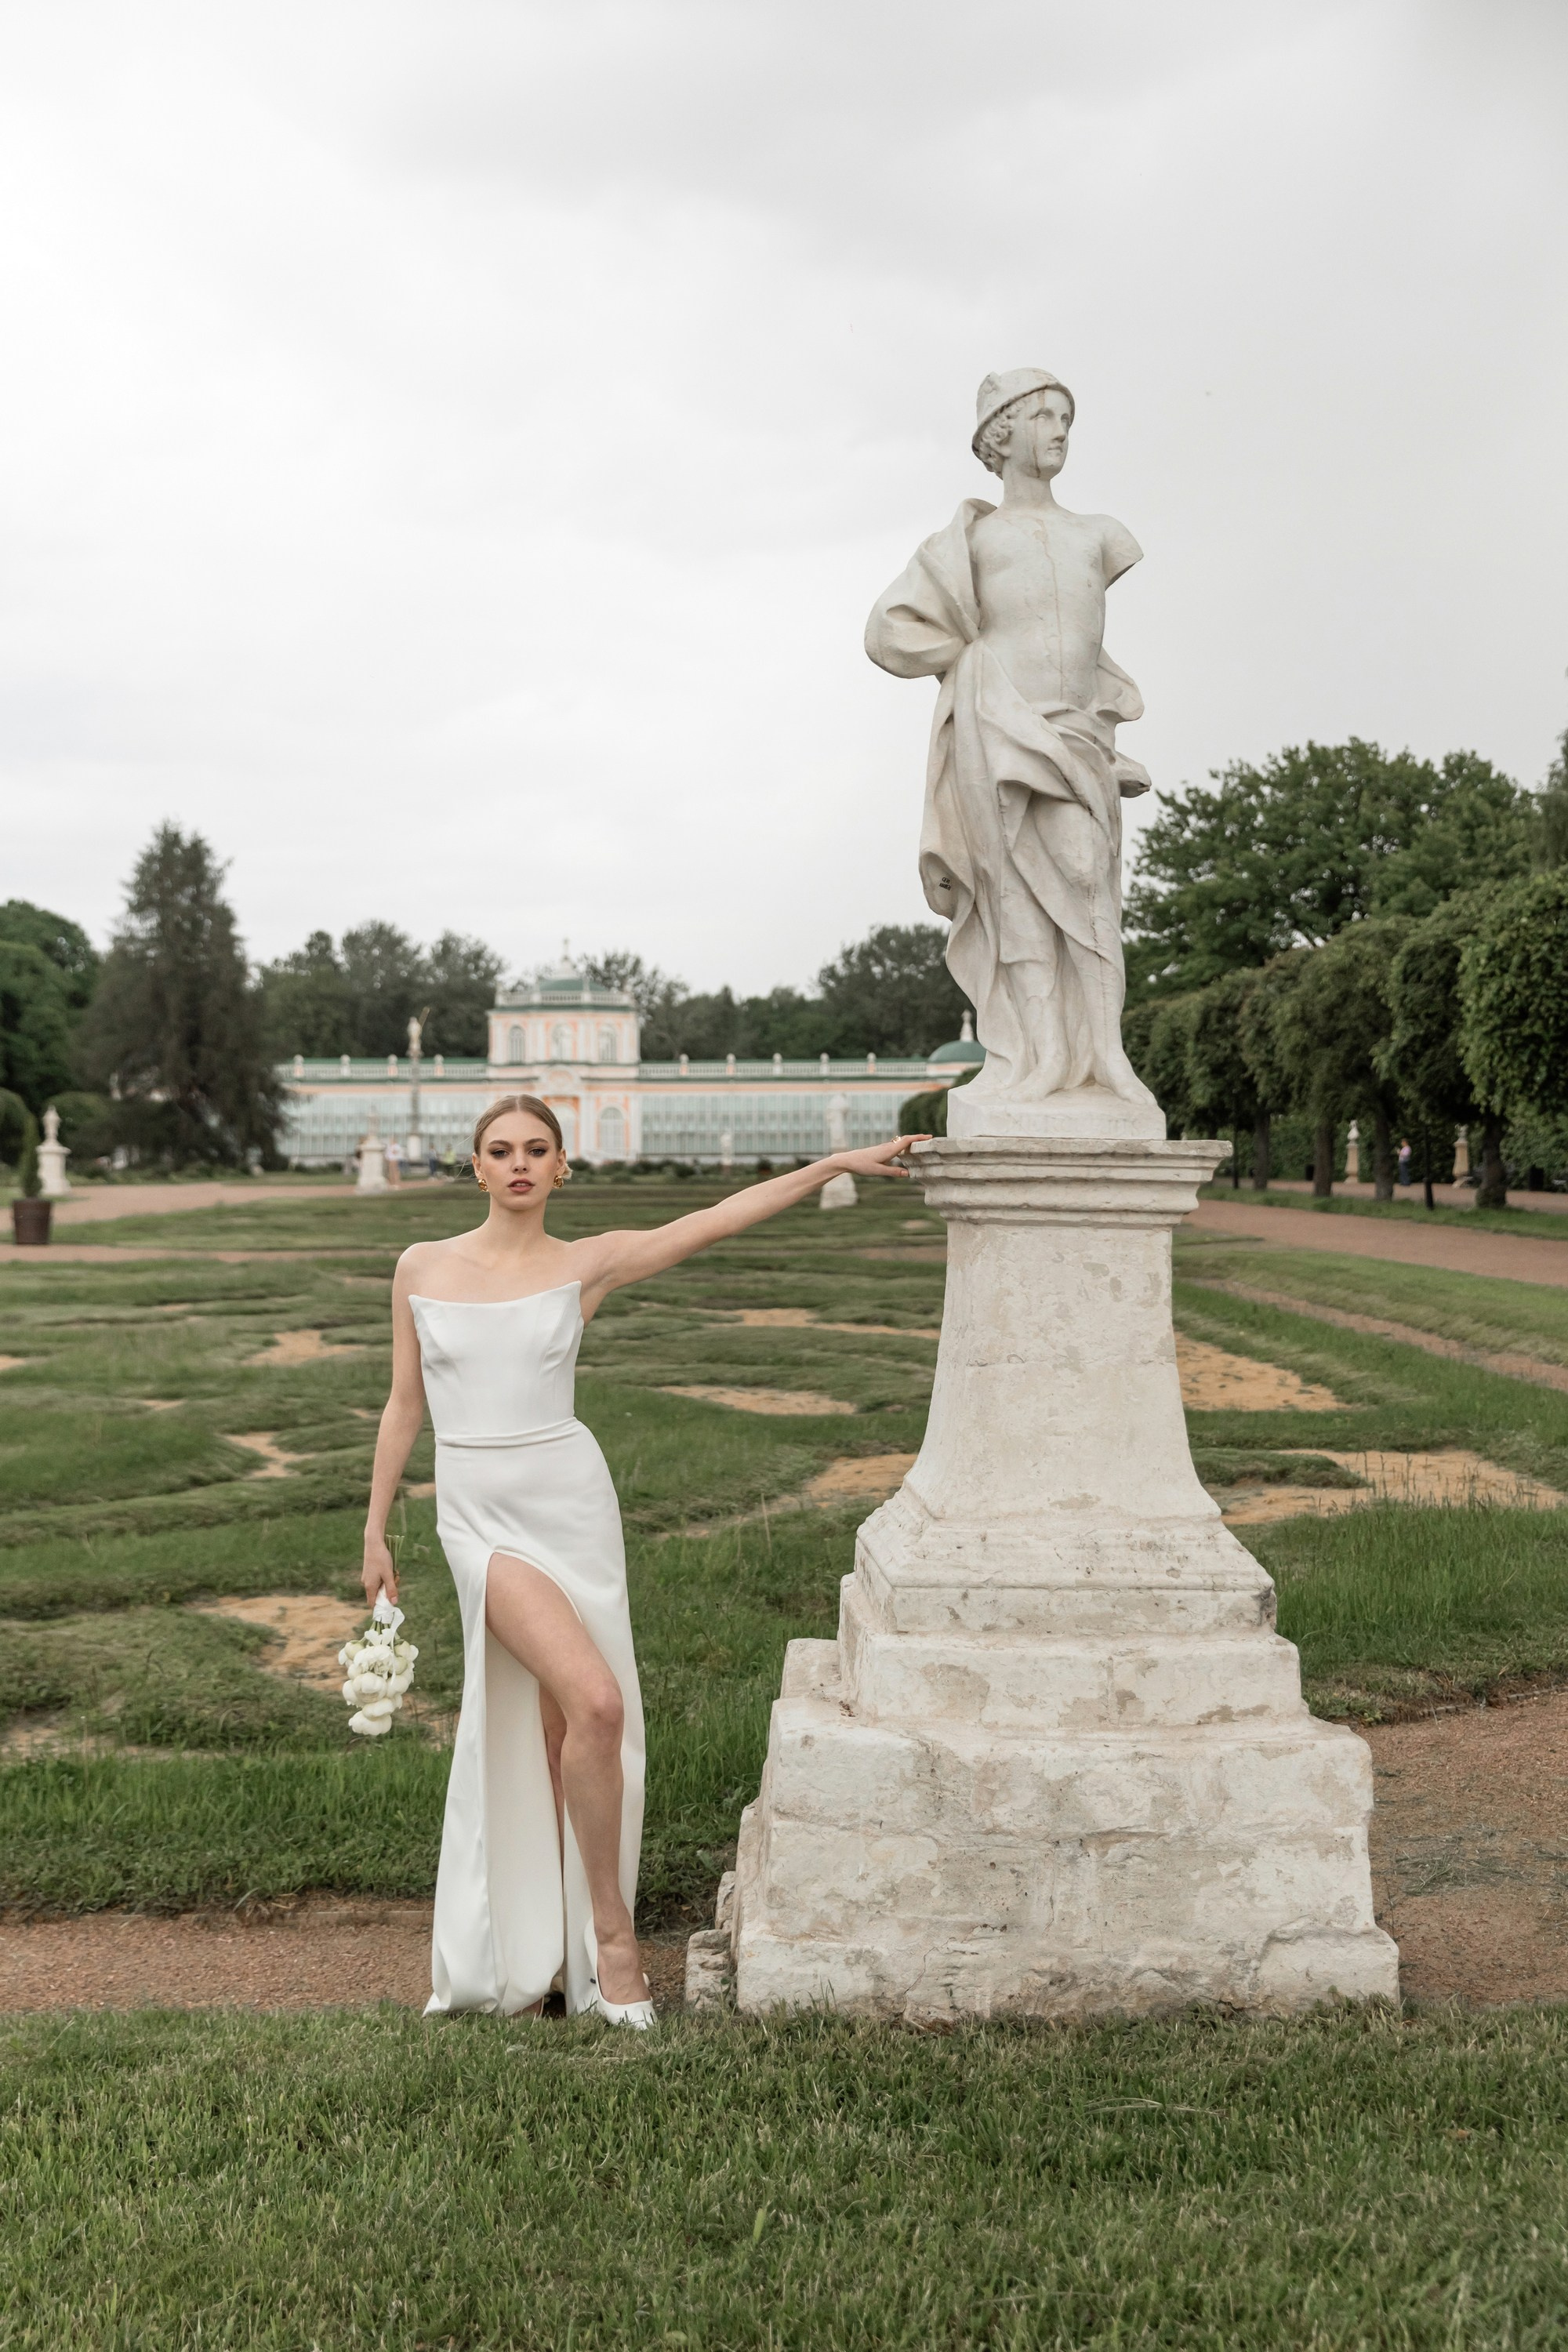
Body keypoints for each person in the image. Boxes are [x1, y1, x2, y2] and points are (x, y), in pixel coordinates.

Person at [361, 1094, 925, 2029]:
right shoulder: (420, 1268)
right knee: (597, 1702)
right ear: (473, 1166)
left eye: (536, 1150)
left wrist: (831, 1166)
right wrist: (377, 1530)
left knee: (564, 1729)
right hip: (477, 1514)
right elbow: (401, 1406)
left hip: (569, 1500)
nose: (517, 1165)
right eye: (499, 1150)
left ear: (560, 1167)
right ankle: (614, 1945)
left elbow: (713, 1220)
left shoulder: (586, 1264)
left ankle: (557, 1953)